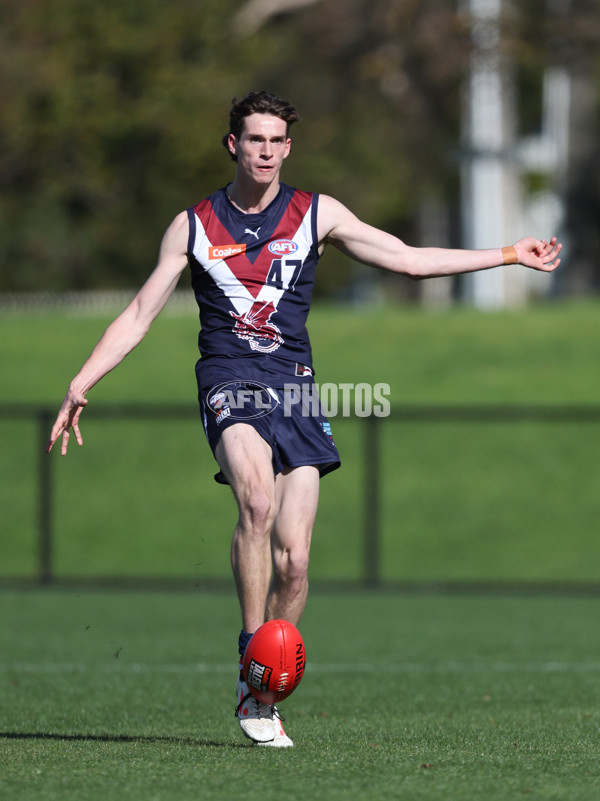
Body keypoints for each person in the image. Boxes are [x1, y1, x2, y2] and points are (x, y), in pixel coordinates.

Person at [46, 90, 562, 747]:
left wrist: (509, 254)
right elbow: (140, 314)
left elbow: (407, 260)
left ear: (289, 147)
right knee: (255, 502)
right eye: (253, 139)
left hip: (295, 392)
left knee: (294, 559)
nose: (264, 151)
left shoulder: (317, 215)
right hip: (230, 382)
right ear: (233, 144)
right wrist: (82, 379)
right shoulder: (195, 224)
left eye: (275, 141)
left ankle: (261, 690)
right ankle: (249, 646)